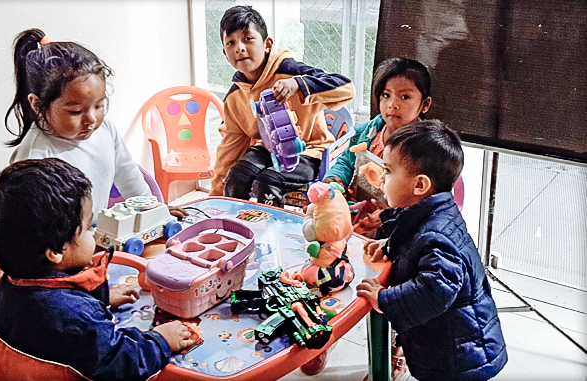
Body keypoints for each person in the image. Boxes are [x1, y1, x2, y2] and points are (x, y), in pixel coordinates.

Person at [0, 158, 195, 380]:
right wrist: (160, 340)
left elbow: (50, 314)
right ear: (56, 251)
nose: (93, 234)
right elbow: (121, 364)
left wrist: (99, 295)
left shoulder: (11, 284)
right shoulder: (77, 319)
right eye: (88, 228)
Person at [356, 121, 507, 381]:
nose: (381, 178)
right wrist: (390, 246)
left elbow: (436, 288)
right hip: (456, 342)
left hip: (458, 357)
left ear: (419, 185)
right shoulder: (434, 214)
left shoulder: (435, 234)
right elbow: (416, 244)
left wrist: (384, 300)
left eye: (389, 171)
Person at [5, 28, 188, 222]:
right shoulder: (34, 158)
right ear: (37, 104)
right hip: (59, 248)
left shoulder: (105, 128)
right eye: (75, 111)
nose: (91, 119)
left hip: (92, 237)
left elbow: (128, 176)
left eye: (99, 105)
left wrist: (154, 210)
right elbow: (30, 228)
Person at [210, 5, 355, 208]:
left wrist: (299, 85)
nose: (239, 48)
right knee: (236, 177)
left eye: (248, 39)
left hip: (308, 152)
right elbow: (229, 150)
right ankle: (238, 228)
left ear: (267, 44)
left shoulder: (292, 71)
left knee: (267, 182)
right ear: (225, 53)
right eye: (231, 42)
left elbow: (347, 88)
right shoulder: (235, 97)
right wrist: (216, 198)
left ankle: (272, 234)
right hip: (267, 149)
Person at [323, 58, 432, 237]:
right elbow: (345, 161)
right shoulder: (365, 134)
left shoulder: (425, 148)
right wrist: (335, 179)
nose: (392, 104)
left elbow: (425, 202)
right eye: (386, 95)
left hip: (393, 227)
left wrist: (393, 214)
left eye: (405, 97)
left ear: (424, 104)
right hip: (355, 212)